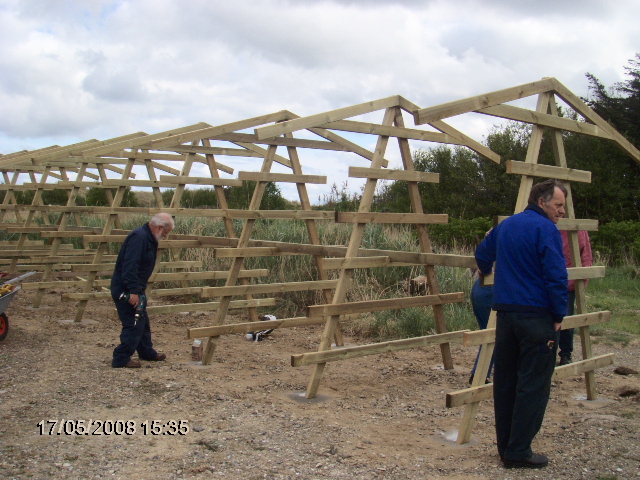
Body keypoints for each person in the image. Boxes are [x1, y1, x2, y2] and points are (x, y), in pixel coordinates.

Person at [475, 179, 568, 469]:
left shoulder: (506, 226)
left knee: (505, 383)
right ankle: (519, 451)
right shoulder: (546, 229)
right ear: (542, 201)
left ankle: (506, 447)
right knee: (533, 384)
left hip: (506, 316)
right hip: (536, 317)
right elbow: (556, 276)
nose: (562, 211)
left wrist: (485, 270)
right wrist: (558, 315)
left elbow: (482, 254)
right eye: (558, 205)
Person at [111, 213, 174, 368]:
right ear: (159, 227)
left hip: (136, 287)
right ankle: (121, 358)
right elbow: (130, 266)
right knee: (134, 323)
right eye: (166, 232)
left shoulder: (147, 238)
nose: (165, 236)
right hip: (126, 288)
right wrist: (133, 291)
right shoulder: (139, 238)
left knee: (142, 321)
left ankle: (146, 351)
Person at [558, 230, 592, 365]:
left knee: (566, 320)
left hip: (568, 283)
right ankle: (547, 354)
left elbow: (586, 254)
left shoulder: (578, 230)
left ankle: (565, 354)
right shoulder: (547, 225)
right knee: (546, 321)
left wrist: (582, 279)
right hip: (546, 281)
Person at [469, 273, 494, 384]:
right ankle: (479, 376)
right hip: (489, 290)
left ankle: (479, 375)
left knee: (489, 336)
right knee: (493, 337)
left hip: (480, 288)